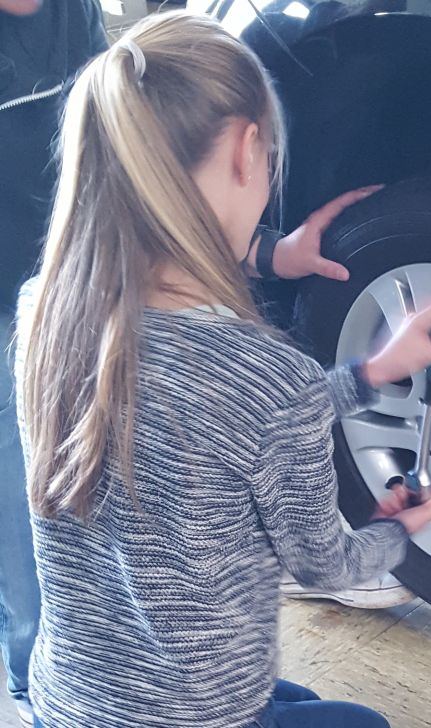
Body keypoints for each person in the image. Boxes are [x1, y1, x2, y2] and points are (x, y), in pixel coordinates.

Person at [13, 11, 431, 728]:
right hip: (196, 716)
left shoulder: (43, 315)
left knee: (304, 704)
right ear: (249, 150)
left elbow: (213, 419)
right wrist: (398, 531)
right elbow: (327, 568)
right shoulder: (263, 376)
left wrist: (367, 376)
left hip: (72, 703)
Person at [1, 1, 107, 724]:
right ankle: (39, 677)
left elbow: (107, 142)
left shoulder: (74, 10)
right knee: (15, 470)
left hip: (64, 276)